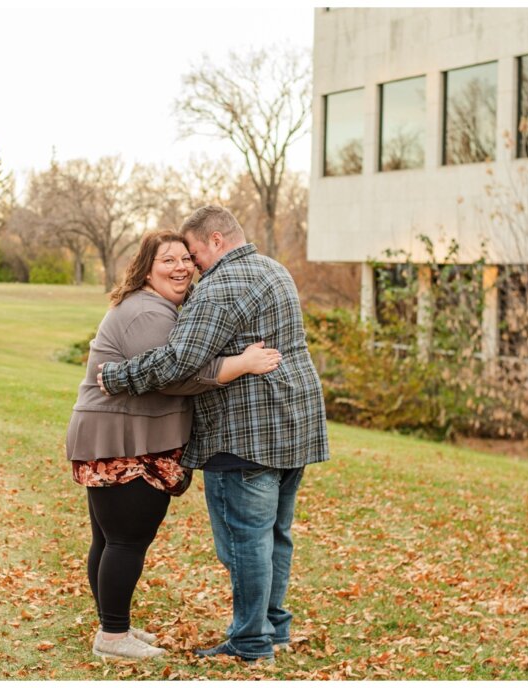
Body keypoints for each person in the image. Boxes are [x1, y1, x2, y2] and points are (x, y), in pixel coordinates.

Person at [98, 206, 329, 663]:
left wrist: (117, 376)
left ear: (217, 241)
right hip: (295, 426)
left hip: (243, 434)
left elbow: (179, 361)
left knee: (245, 543)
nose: (193, 264)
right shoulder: (273, 270)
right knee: (276, 535)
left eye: (195, 252)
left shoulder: (222, 286)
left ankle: (249, 642)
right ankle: (274, 629)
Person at [67, 230, 282, 661]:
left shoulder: (156, 307)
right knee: (127, 538)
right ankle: (112, 636)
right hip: (124, 440)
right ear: (146, 268)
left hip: (121, 435)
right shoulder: (147, 312)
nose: (181, 267)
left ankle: (113, 624)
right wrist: (241, 364)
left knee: (110, 539)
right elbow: (175, 374)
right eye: (168, 260)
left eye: (186, 258)